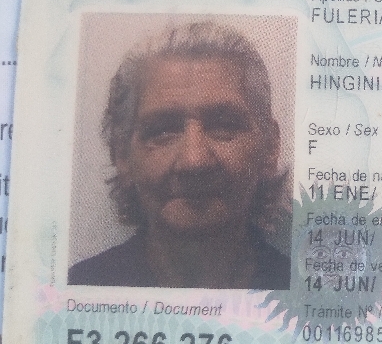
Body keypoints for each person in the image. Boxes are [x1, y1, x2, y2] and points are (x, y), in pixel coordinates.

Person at [69, 21, 291, 289]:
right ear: (122, 155)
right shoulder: (77, 289)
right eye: (163, 131)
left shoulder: (311, 295)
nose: (194, 160)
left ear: (270, 147)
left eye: (224, 126)